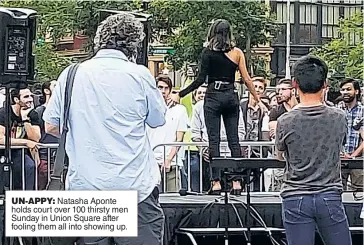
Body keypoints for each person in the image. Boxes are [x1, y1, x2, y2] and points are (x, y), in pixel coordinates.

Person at [43, 13, 166, 245]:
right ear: (135, 45)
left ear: (99, 39)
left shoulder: (71, 74)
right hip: (135, 189)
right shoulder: (140, 75)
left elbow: (51, 125)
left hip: (86, 190)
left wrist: (85, 134)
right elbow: (158, 120)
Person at [171, 19, 265, 193]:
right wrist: (258, 99)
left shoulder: (207, 53)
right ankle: (237, 181)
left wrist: (180, 93)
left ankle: (216, 182)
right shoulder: (237, 53)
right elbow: (246, 79)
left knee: (213, 140)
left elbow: (200, 80)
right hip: (231, 95)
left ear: (212, 33)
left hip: (213, 96)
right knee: (233, 139)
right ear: (229, 33)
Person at [276, 55, 351, 245]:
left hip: (295, 195)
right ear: (325, 84)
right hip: (329, 193)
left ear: (294, 84)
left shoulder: (285, 120)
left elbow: (279, 155)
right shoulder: (339, 117)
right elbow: (339, 146)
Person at [0, 88, 40, 190]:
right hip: (3, 152)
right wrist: (26, 142)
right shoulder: (4, 113)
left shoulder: (33, 114)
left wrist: (26, 120)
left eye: (31, 96)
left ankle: (27, 200)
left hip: (20, 153)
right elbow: (1, 139)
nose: (30, 99)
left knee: (29, 166)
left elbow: (36, 138)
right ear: (16, 100)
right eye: (26, 97)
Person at [338, 78, 363, 191]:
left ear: (356, 91)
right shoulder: (336, 110)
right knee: (337, 191)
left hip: (358, 159)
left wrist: (353, 155)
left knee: (359, 192)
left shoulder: (362, 111)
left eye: (348, 89)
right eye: (343, 90)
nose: (345, 92)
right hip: (339, 158)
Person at [35, 80, 59, 190]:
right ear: (46, 91)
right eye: (55, 85)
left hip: (60, 156)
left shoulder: (63, 111)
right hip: (45, 156)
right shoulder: (39, 111)